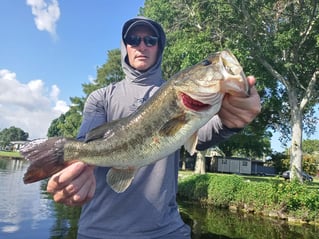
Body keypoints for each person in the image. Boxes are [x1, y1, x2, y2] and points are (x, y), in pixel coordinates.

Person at [47, 16, 261, 239]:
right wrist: (78, 172)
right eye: (133, 39)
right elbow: (86, 144)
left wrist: (231, 122)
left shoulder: (179, 96)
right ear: (125, 47)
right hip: (99, 231)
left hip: (167, 231)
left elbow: (199, 135)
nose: (142, 46)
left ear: (159, 47)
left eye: (150, 40)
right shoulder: (100, 97)